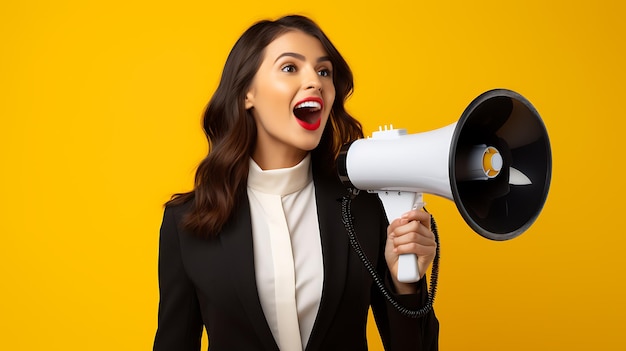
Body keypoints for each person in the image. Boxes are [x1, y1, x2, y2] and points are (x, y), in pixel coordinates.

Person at [153, 14, 439, 351]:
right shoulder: (186, 223)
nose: (315, 82)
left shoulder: (364, 209)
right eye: (290, 68)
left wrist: (405, 282)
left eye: (324, 72)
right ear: (248, 93)